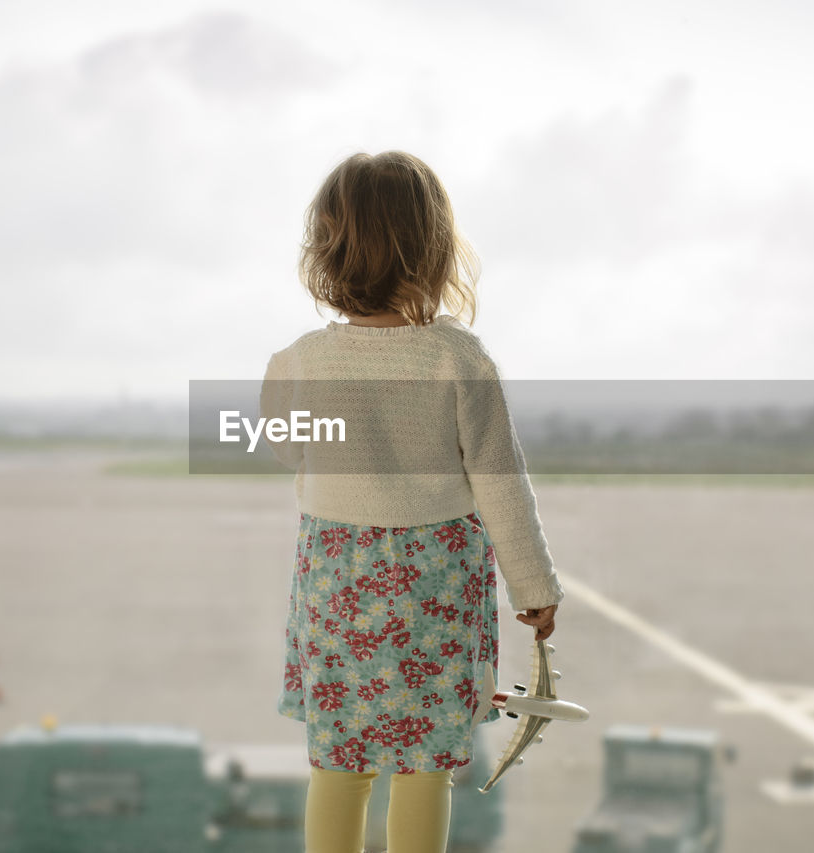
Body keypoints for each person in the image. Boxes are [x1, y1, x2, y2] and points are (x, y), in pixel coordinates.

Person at [262, 151, 563, 853]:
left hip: (338, 579)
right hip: (435, 582)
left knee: (338, 764)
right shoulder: (459, 359)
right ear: (432, 251)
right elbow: (501, 484)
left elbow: (284, 448)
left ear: (326, 253)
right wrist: (535, 586)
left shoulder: (300, 360)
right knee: (424, 768)